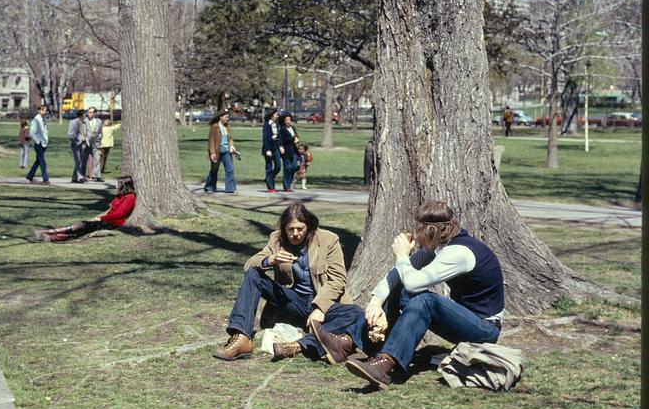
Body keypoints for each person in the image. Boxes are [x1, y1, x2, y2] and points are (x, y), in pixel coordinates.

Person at [311, 200, 504, 388]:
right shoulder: (440, 247)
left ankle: (385, 365)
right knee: (403, 287)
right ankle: (346, 344)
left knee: (425, 300)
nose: (416, 236)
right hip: (464, 319)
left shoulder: (459, 253)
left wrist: (402, 255)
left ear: (431, 230)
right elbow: (399, 276)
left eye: (418, 229)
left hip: (484, 330)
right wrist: (375, 302)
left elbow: (413, 283)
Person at [213, 201, 351, 361]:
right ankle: (241, 337)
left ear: (309, 226)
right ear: (284, 229)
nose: (295, 234)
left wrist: (320, 307)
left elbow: (338, 279)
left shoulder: (328, 240)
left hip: (320, 305)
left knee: (355, 314)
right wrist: (270, 260)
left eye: (300, 229)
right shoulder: (277, 239)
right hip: (292, 302)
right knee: (253, 274)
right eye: (290, 229)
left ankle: (301, 344)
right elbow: (249, 265)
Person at [34, 176, 136, 242]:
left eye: (119, 184)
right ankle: (50, 234)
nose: (116, 186)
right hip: (108, 220)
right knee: (85, 226)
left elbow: (120, 214)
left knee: (84, 226)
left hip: (116, 223)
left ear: (124, 186)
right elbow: (110, 210)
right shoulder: (120, 196)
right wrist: (99, 217)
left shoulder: (130, 197)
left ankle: (52, 235)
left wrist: (101, 219)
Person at [204, 110, 238, 194]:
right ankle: (209, 187)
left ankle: (230, 189)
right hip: (217, 151)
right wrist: (212, 153)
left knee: (230, 169)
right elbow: (211, 141)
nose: (228, 118)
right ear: (221, 117)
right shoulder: (214, 126)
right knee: (214, 170)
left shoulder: (228, 127)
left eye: (228, 117)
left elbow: (230, 139)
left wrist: (232, 146)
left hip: (226, 151)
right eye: (226, 117)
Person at [26, 104, 50, 184]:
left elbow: (45, 131)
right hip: (39, 143)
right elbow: (32, 133)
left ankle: (30, 175)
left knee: (38, 161)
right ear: (39, 110)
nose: (44, 112)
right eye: (43, 110)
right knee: (42, 161)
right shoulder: (36, 119)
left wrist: (46, 141)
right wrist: (37, 141)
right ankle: (45, 178)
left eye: (45, 110)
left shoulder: (44, 119)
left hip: (44, 143)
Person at [261, 109, 282, 193]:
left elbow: (279, 136)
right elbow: (265, 138)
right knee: (269, 167)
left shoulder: (277, 124)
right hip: (269, 148)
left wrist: (281, 146)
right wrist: (267, 149)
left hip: (276, 147)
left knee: (278, 166)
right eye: (276, 114)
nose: (278, 116)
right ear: (272, 115)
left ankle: (268, 179)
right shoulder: (266, 125)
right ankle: (270, 187)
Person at [279, 112, 300, 192]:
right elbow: (283, 140)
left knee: (294, 167)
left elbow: (296, 137)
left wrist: (297, 139)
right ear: (283, 121)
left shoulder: (293, 128)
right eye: (286, 120)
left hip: (294, 150)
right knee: (287, 168)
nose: (288, 121)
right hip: (286, 151)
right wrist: (292, 140)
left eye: (289, 119)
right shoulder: (282, 129)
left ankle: (288, 180)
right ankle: (286, 186)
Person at [83, 107, 104, 181]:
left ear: (95, 113)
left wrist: (98, 139)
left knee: (97, 160)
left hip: (96, 144)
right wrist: (85, 140)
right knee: (84, 160)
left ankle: (98, 176)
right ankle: (82, 175)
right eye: (88, 112)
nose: (89, 114)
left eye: (91, 112)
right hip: (87, 143)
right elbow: (84, 132)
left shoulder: (99, 121)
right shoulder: (85, 121)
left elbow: (101, 133)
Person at [67, 109, 87, 183]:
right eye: (85, 114)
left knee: (80, 161)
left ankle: (74, 177)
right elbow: (70, 133)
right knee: (78, 161)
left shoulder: (84, 122)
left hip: (83, 144)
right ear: (81, 115)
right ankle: (80, 177)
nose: (86, 115)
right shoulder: (74, 122)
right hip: (75, 144)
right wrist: (75, 140)